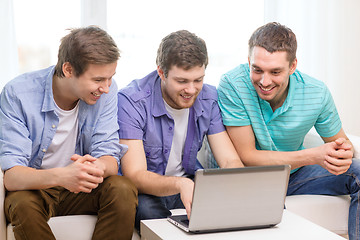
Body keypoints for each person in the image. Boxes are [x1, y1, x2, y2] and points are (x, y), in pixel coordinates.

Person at [217, 22, 359, 240]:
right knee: (270, 210)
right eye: (257, 70)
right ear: (248, 62)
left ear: (293, 66)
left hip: (296, 175)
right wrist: (313, 155)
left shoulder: (316, 92)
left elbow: (341, 143)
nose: (264, 81)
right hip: (249, 177)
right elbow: (248, 157)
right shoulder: (232, 85)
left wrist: (342, 152)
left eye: (275, 72)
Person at [0, 26, 138, 240]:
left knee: (122, 188)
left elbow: (110, 158)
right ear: (68, 69)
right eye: (98, 80)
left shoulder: (105, 95)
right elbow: (13, 177)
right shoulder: (18, 94)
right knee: (21, 203)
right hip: (37, 187)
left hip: (82, 189)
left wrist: (97, 166)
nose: (106, 88)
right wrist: (64, 176)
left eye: (110, 78)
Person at [117, 30, 244, 230]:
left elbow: (229, 160)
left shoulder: (209, 98)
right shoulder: (132, 101)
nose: (191, 90)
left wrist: (244, 189)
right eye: (182, 81)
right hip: (146, 190)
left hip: (189, 183)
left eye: (198, 80)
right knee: (148, 212)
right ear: (161, 72)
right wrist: (180, 184)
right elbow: (135, 174)